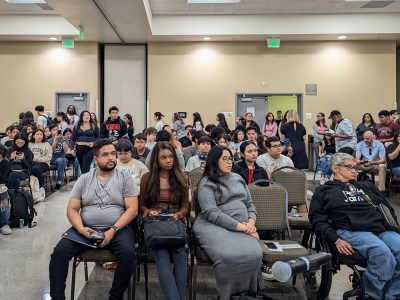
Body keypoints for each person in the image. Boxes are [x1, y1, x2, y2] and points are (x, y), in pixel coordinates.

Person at [46, 139, 138, 300]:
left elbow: (132, 209)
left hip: (118, 229)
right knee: (59, 254)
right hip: (85, 228)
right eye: (105, 155)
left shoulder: (125, 179)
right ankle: (57, 297)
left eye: (112, 154)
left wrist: (113, 230)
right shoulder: (84, 179)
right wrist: (81, 229)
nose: (111, 158)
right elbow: (72, 209)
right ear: (95, 159)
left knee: (128, 255)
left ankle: (115, 297)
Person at [309, 152, 400, 300]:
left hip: (380, 229)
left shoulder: (367, 186)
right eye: (349, 167)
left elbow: (388, 209)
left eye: (355, 167)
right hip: (350, 230)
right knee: (382, 253)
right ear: (335, 169)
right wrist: (335, 239)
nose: (354, 170)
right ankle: (371, 295)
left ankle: (391, 294)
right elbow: (317, 219)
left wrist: (394, 228)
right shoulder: (324, 191)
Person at [193, 146, 263, 299]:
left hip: (243, 225)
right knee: (229, 255)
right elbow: (212, 213)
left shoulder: (238, 178)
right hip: (212, 226)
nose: (229, 162)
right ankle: (229, 295)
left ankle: (248, 295)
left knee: (254, 254)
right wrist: (242, 228)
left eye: (230, 158)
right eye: (224, 158)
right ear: (214, 160)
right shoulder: (207, 183)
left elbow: (250, 204)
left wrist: (251, 224)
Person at [139, 142, 189, 300]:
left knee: (181, 255)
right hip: (154, 222)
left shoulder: (181, 177)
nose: (168, 160)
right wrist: (148, 212)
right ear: (156, 160)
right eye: (164, 158)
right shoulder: (147, 178)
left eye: (171, 157)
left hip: (175, 221)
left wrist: (179, 214)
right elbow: (141, 205)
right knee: (162, 255)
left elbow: (186, 206)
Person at [29, 128, 52, 195]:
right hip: (32, 163)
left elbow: (48, 157)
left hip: (44, 164)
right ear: (33, 136)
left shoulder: (46, 144)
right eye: (37, 134)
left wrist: (38, 159)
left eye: (41, 134)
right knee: (29, 168)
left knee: (35, 169)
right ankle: (33, 188)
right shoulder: (29, 144)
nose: (39, 136)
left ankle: (41, 186)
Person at [47, 125, 68, 189]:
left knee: (61, 160)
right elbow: (51, 151)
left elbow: (66, 150)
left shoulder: (64, 138)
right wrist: (55, 140)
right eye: (54, 130)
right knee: (60, 161)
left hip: (62, 158)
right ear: (50, 132)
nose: (56, 131)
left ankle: (59, 181)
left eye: (57, 129)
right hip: (52, 159)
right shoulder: (48, 141)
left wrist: (63, 141)